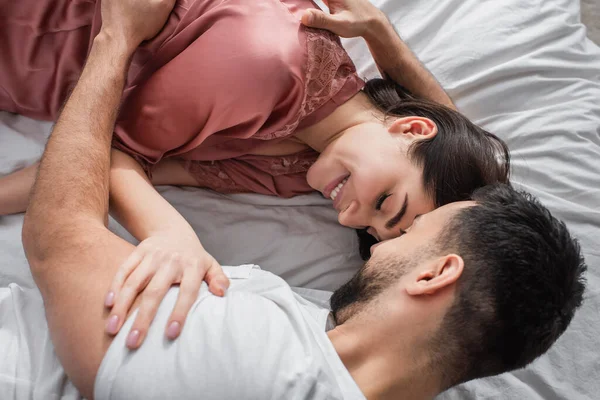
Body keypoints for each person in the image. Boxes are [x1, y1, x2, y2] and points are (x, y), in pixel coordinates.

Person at [15, 1, 586, 398]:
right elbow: (481, 189)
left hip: (50, 64)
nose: (349, 221)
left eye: (390, 232)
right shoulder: (291, 129)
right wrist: (382, 37)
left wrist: (169, 232)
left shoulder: (257, 351)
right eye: (392, 215)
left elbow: (86, 186)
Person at [0, 0, 509, 303]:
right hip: (37, 32)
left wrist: (382, 34)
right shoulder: (267, 64)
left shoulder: (302, 170)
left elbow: (140, 167)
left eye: (370, 232)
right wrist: (171, 233)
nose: (350, 215)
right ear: (410, 129)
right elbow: (94, 155)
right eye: (385, 204)